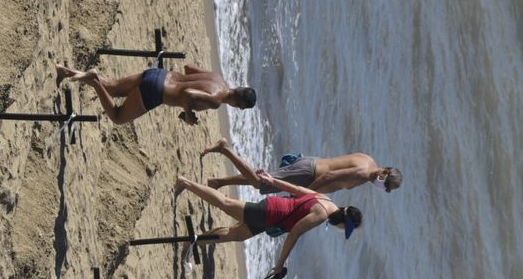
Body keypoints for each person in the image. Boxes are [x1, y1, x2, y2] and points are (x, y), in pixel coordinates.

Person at [173, 170, 361, 278]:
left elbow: (296, 189)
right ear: (343, 222)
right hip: (270, 213)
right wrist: (280, 264)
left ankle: (192, 242)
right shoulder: (321, 214)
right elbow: (294, 233)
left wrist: (273, 181)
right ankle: (186, 183)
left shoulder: (326, 199)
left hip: (272, 214)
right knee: (225, 203)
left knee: (236, 234)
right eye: (344, 228)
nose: (341, 230)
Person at [54, 62, 256, 126]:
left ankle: (65, 71)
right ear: (239, 104)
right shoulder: (217, 100)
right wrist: (188, 114)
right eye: (240, 108)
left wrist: (188, 99)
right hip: (156, 92)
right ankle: (93, 79)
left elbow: (188, 67)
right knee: (117, 117)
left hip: (159, 74)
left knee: (112, 88)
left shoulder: (218, 78)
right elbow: (188, 94)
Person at [201, 139, 402, 194]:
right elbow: (329, 177)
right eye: (387, 186)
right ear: (385, 172)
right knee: (261, 183)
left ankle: (219, 182)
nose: (384, 189)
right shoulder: (363, 173)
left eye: (388, 190)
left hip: (311, 165)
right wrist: (304, 194)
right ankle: (225, 149)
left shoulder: (368, 160)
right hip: (309, 175)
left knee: (262, 180)